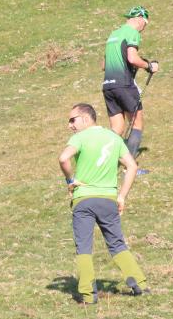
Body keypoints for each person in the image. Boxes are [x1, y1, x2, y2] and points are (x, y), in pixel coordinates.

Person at [58, 103, 148, 304]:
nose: (69, 125)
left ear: (86, 118)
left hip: (84, 200)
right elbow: (132, 167)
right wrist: (122, 195)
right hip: (108, 199)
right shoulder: (114, 138)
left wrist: (70, 180)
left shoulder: (79, 138)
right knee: (116, 243)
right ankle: (139, 284)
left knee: (84, 247)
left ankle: (89, 295)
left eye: (72, 120)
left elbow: (63, 158)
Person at [102, 6, 159, 168]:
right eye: (145, 23)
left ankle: (105, 163)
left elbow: (103, 64)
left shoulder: (113, 35)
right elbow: (132, 58)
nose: (144, 28)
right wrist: (148, 65)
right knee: (137, 124)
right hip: (124, 85)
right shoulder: (132, 33)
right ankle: (130, 167)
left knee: (117, 128)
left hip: (108, 86)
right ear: (140, 18)